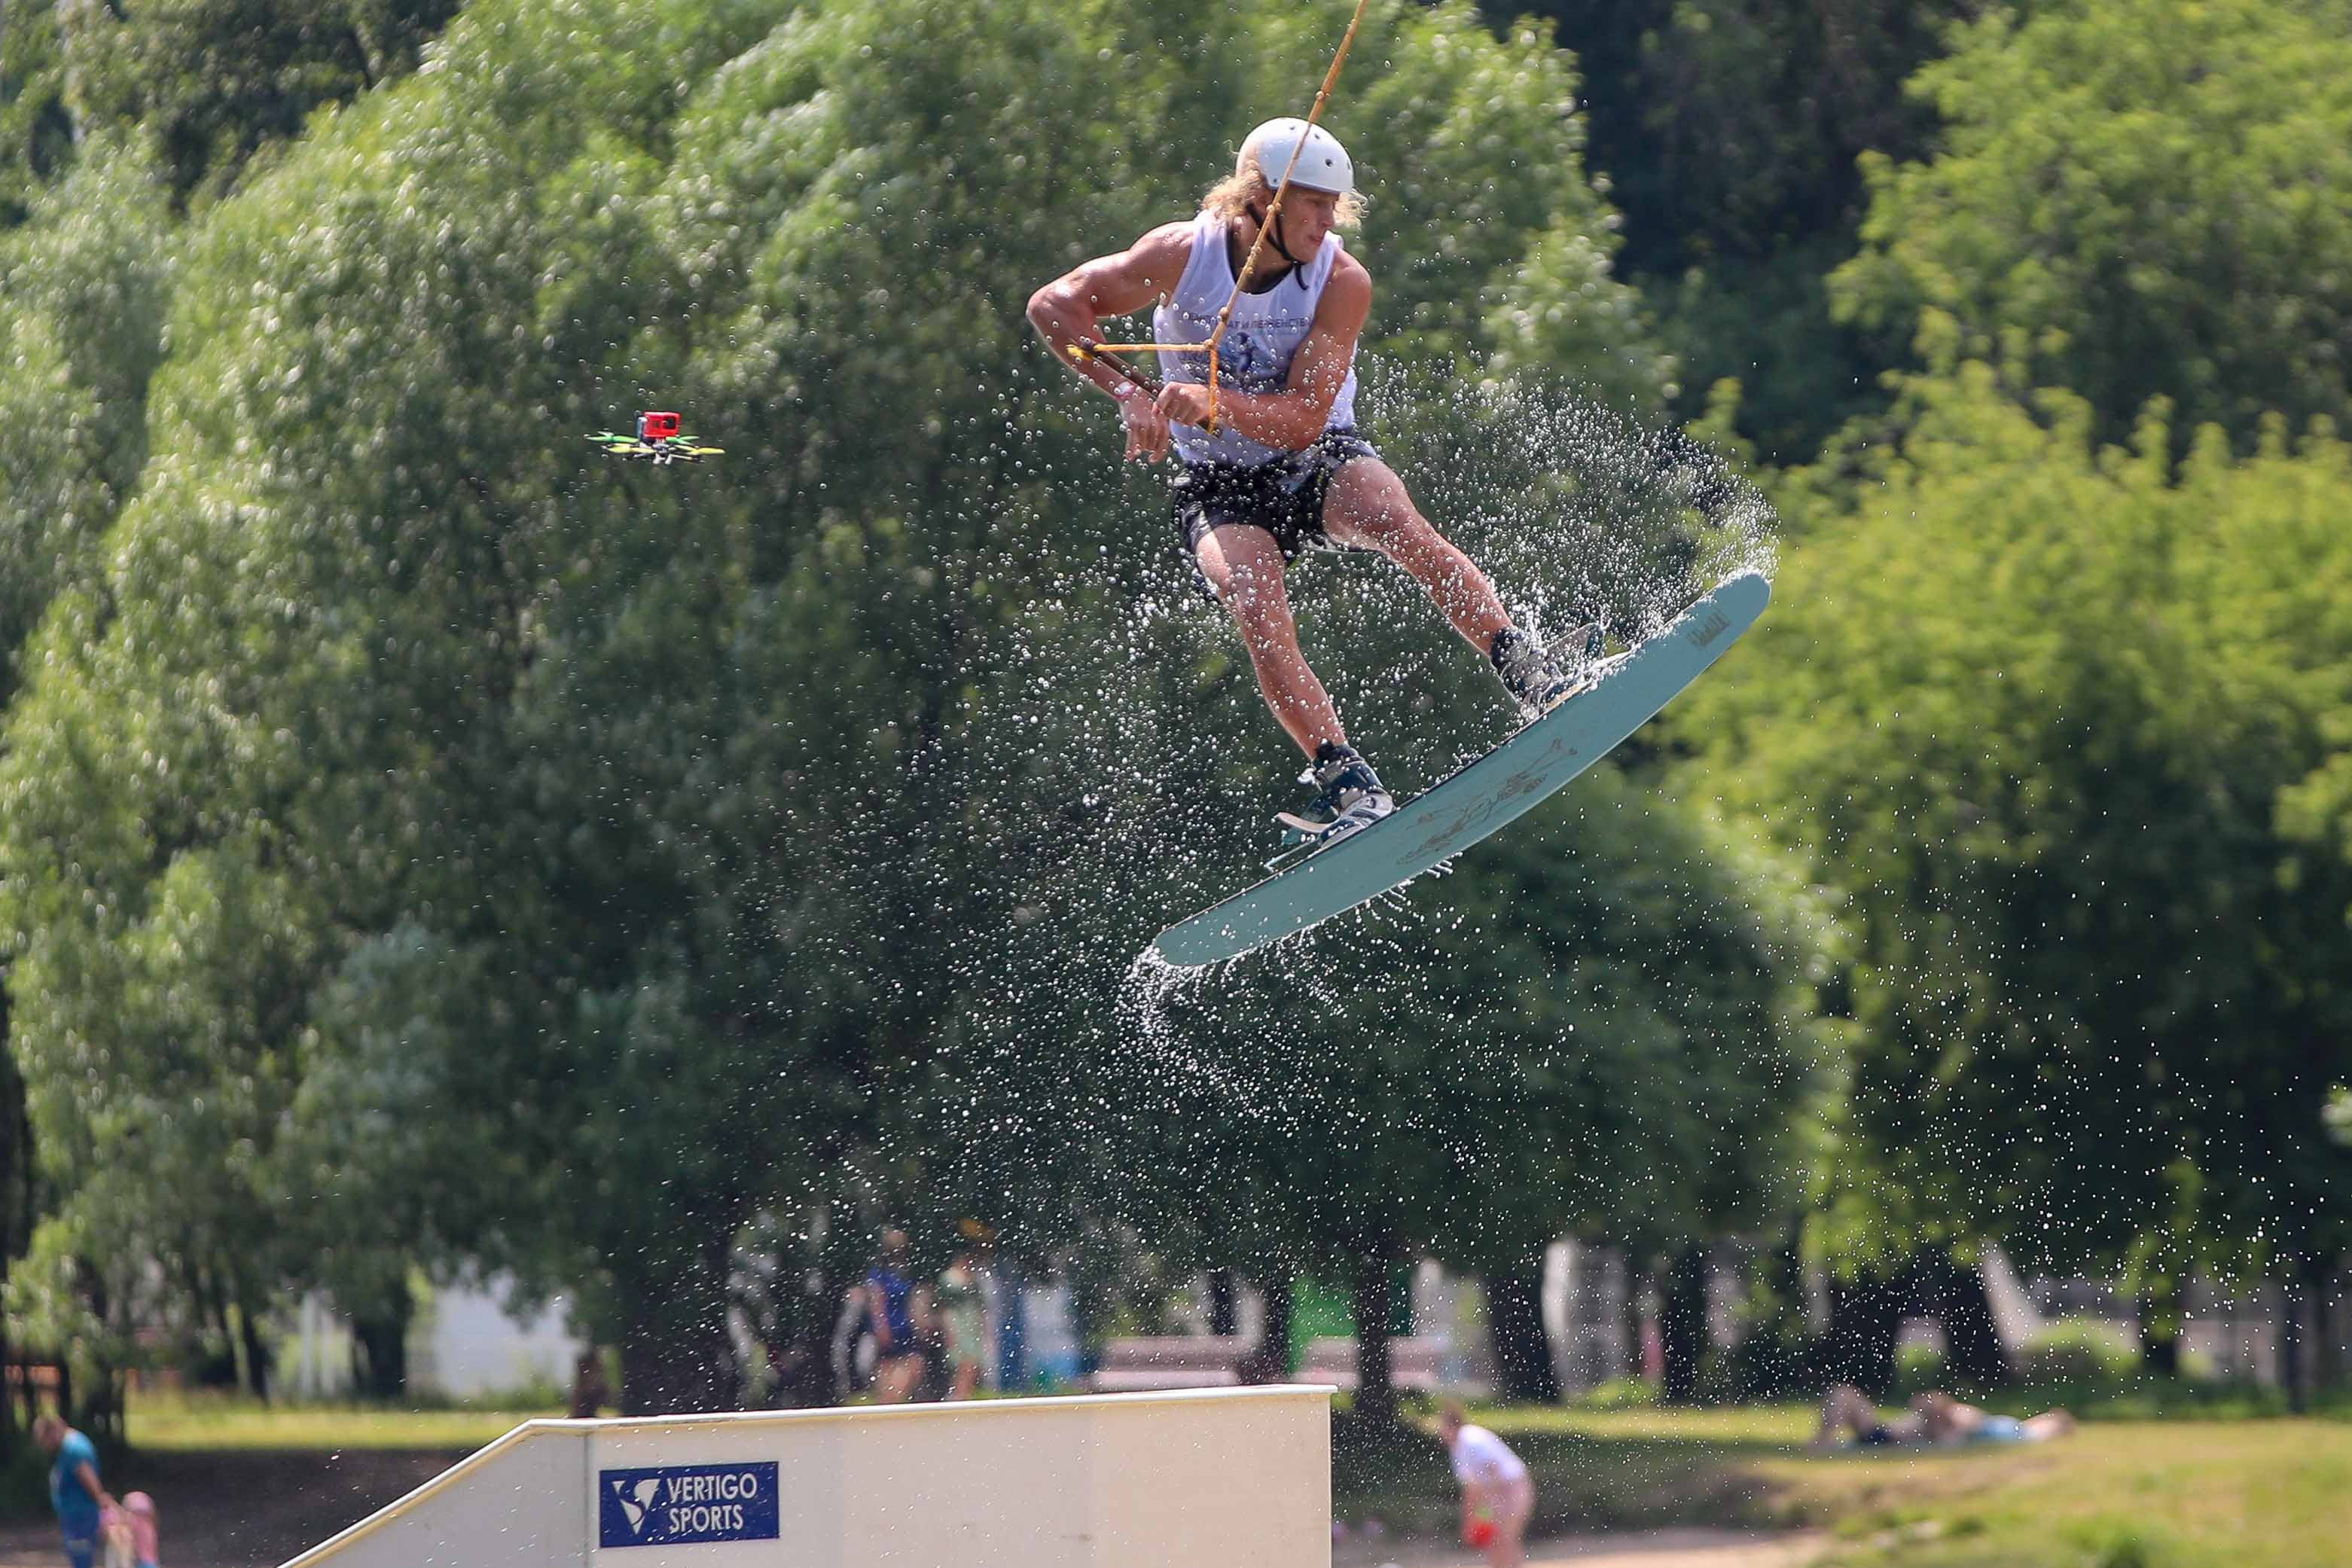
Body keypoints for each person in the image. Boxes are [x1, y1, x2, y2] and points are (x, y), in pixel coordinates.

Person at [1027, 117, 1601, 847]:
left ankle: (1532, 674)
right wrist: (1129, 394)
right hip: (1220, 485)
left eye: (1335, 205)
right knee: (1253, 603)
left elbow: (1303, 419)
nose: (1328, 220)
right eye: (1313, 203)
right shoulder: (1182, 254)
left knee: (1396, 520)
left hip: (1316, 458)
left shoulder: (1340, 280)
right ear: (1261, 198)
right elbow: (1055, 306)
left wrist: (1214, 403)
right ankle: (1347, 782)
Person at [1812, 1383, 2076, 1450]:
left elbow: (1957, 1432)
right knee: (1842, 1393)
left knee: (1844, 1395)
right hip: (1884, 1433)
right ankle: (1821, 1442)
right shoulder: (2010, 1428)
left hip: (1888, 1438)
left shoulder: (2017, 1433)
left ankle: (1821, 1444)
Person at [1435, 1404, 1534, 1568]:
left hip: (1512, 1488)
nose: (1440, 1433)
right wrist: (1471, 1519)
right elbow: (1471, 1488)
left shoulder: (1470, 1439)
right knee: (1495, 1541)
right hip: (1498, 1492)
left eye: (1442, 1427)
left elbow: (1493, 1468)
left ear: (1451, 1425)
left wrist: (1494, 1502)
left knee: (1506, 1538)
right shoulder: (1458, 1448)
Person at [35, 1414, 120, 1568]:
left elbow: (88, 1478)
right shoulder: (70, 1446)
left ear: (52, 1431)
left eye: (43, 1440)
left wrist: (101, 1500)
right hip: (76, 1517)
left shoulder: (72, 1449)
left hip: (81, 1518)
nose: (44, 1446)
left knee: (82, 1561)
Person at [865, 1229, 928, 1405]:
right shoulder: (879, 1274)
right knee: (887, 1379)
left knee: (913, 1368)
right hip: (887, 1330)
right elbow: (877, 1303)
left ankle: (896, 1405)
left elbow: (915, 1301)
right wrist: (881, 1329)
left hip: (906, 1331)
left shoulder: (907, 1273)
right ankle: (886, 1411)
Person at [935, 1243, 990, 1402]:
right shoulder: (948, 1279)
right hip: (957, 1323)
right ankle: (957, 1395)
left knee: (973, 1362)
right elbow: (944, 1307)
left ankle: (963, 1394)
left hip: (972, 1324)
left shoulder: (972, 1279)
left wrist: (985, 1328)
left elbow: (980, 1305)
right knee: (962, 1362)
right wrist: (948, 1331)